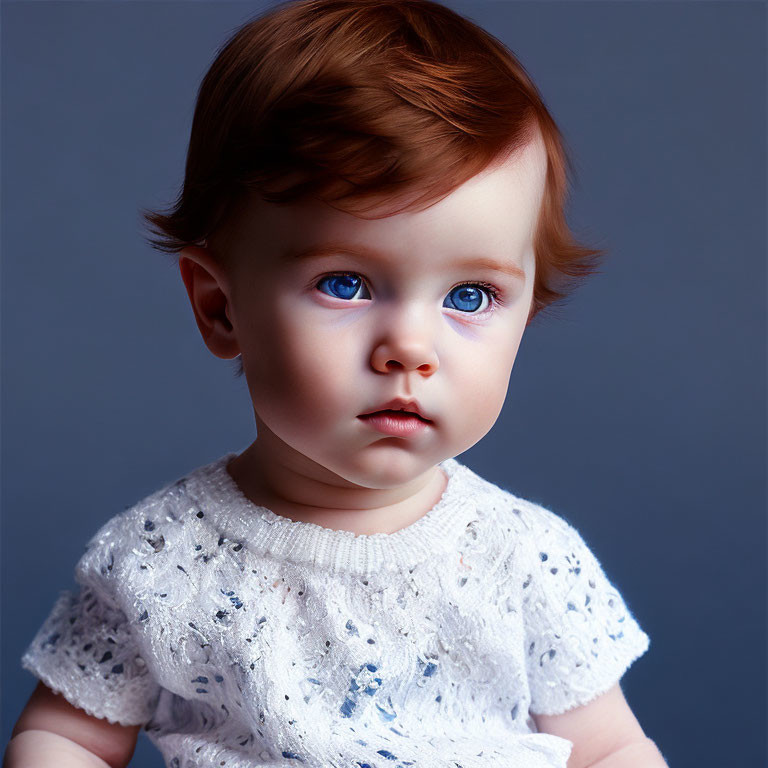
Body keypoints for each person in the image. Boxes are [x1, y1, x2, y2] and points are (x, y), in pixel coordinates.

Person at [6, 1, 669, 767]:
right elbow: (64, 736)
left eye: (469, 297)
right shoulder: (160, 561)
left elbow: (608, 748)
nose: (409, 350)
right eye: (347, 284)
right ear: (222, 309)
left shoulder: (523, 557)